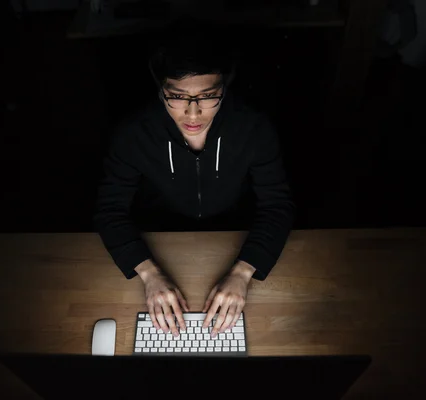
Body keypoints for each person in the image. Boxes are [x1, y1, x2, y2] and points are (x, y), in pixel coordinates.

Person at [94, 20, 295, 340]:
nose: (192, 113)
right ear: (160, 90)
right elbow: (109, 209)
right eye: (176, 96)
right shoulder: (134, 133)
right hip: (158, 239)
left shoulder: (253, 128)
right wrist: (147, 273)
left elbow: (278, 205)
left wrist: (244, 271)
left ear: (225, 89)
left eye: (207, 96)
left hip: (235, 237)